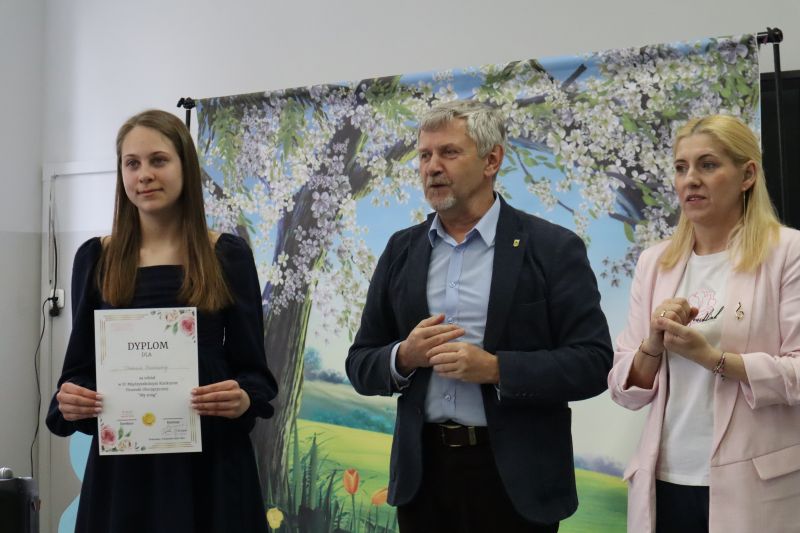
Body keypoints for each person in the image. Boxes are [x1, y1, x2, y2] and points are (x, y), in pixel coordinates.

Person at [345, 100, 613, 532]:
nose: (432, 167)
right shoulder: (401, 250)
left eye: (449, 152)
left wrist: (496, 369)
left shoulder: (552, 249)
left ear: (492, 160)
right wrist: (404, 357)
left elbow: (593, 362)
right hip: (423, 480)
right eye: (424, 155)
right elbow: (360, 363)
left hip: (516, 483)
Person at [46, 109, 278, 533]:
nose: (144, 175)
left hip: (211, 469)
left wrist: (243, 397)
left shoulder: (227, 255)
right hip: (123, 477)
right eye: (132, 163)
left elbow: (254, 373)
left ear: (185, 166)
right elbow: (78, 371)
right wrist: (73, 400)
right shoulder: (96, 258)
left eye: (158, 160)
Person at [608, 114, 800, 533]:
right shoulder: (655, 262)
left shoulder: (789, 252)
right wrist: (652, 345)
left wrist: (714, 359)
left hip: (754, 487)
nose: (690, 179)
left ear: (747, 175)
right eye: (681, 168)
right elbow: (625, 390)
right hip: (666, 481)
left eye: (708, 165)